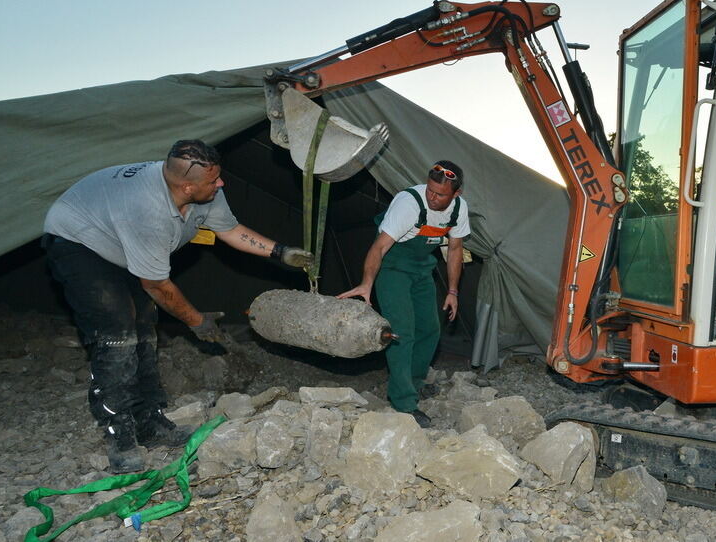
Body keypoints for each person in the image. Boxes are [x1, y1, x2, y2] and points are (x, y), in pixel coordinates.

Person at [43, 140, 312, 472]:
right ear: (187, 187)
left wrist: (280, 252)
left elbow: (230, 231)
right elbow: (156, 285)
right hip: (78, 240)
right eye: (213, 181)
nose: (221, 184)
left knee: (144, 328)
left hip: (120, 240)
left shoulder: (206, 188)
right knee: (117, 332)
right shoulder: (146, 208)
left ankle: (150, 422)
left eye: (218, 178)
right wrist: (197, 321)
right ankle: (120, 435)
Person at [337, 161, 470, 428]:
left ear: (455, 194)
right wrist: (367, 283)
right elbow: (379, 247)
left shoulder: (459, 209)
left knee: (430, 330)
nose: (432, 197)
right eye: (430, 190)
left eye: (440, 194)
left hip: (422, 270)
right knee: (401, 333)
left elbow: (455, 249)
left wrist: (453, 291)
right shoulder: (408, 204)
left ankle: (414, 382)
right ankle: (403, 403)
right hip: (393, 268)